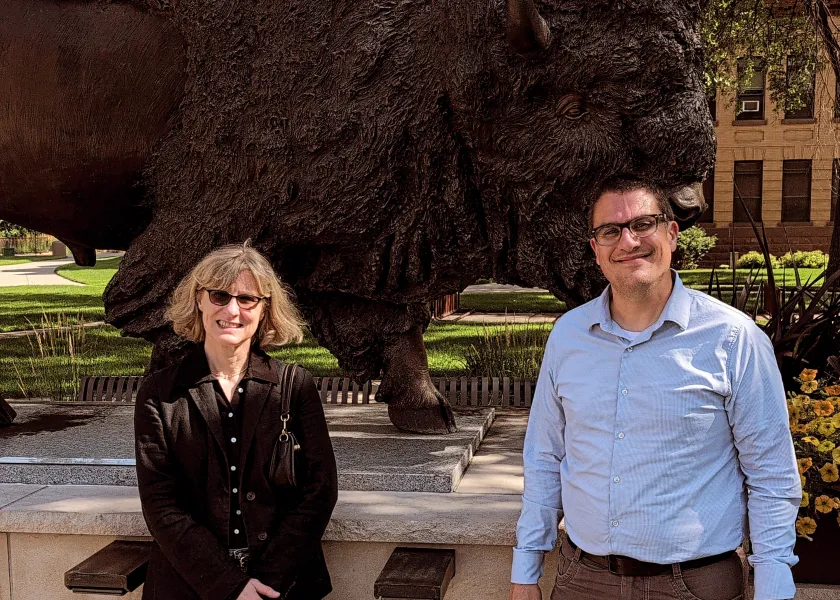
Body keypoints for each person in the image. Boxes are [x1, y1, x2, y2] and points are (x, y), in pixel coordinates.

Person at [509, 177, 801, 600]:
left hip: (696, 585)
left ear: (672, 233)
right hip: (582, 581)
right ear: (596, 250)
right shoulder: (568, 336)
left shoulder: (733, 339)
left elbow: (771, 474)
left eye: (643, 223)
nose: (628, 241)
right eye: (610, 230)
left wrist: (773, 586)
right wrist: (525, 570)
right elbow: (545, 457)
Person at [135, 242, 338, 600]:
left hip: (283, 586)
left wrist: (267, 583)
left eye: (247, 299)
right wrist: (231, 586)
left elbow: (319, 489)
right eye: (219, 295)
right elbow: (160, 504)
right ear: (199, 300)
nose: (232, 309)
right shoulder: (160, 393)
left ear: (264, 310)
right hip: (189, 586)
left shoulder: (295, 386)